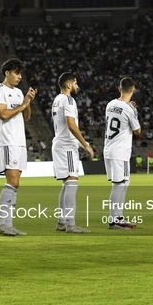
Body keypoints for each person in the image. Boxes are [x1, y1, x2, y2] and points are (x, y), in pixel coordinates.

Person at [0, 58, 36, 237]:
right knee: (12, 182)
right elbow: (3, 114)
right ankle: (2, 223)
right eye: (16, 73)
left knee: (15, 185)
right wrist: (22, 104)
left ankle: (7, 224)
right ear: (7, 73)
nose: (19, 77)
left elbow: (26, 117)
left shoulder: (18, 92)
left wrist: (28, 101)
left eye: (20, 74)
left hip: (19, 142)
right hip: (8, 141)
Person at [51, 72, 93, 234]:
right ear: (69, 85)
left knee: (66, 183)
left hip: (60, 144)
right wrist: (86, 145)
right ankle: (71, 224)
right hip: (67, 146)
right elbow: (71, 124)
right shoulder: (68, 100)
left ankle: (62, 222)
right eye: (75, 83)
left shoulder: (57, 100)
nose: (77, 86)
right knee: (72, 182)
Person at [103, 77, 141, 230]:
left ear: (119, 89)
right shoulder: (129, 109)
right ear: (134, 90)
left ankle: (119, 217)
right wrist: (134, 111)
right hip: (120, 151)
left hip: (109, 149)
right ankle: (114, 220)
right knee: (119, 184)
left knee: (122, 183)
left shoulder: (110, 104)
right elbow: (138, 131)